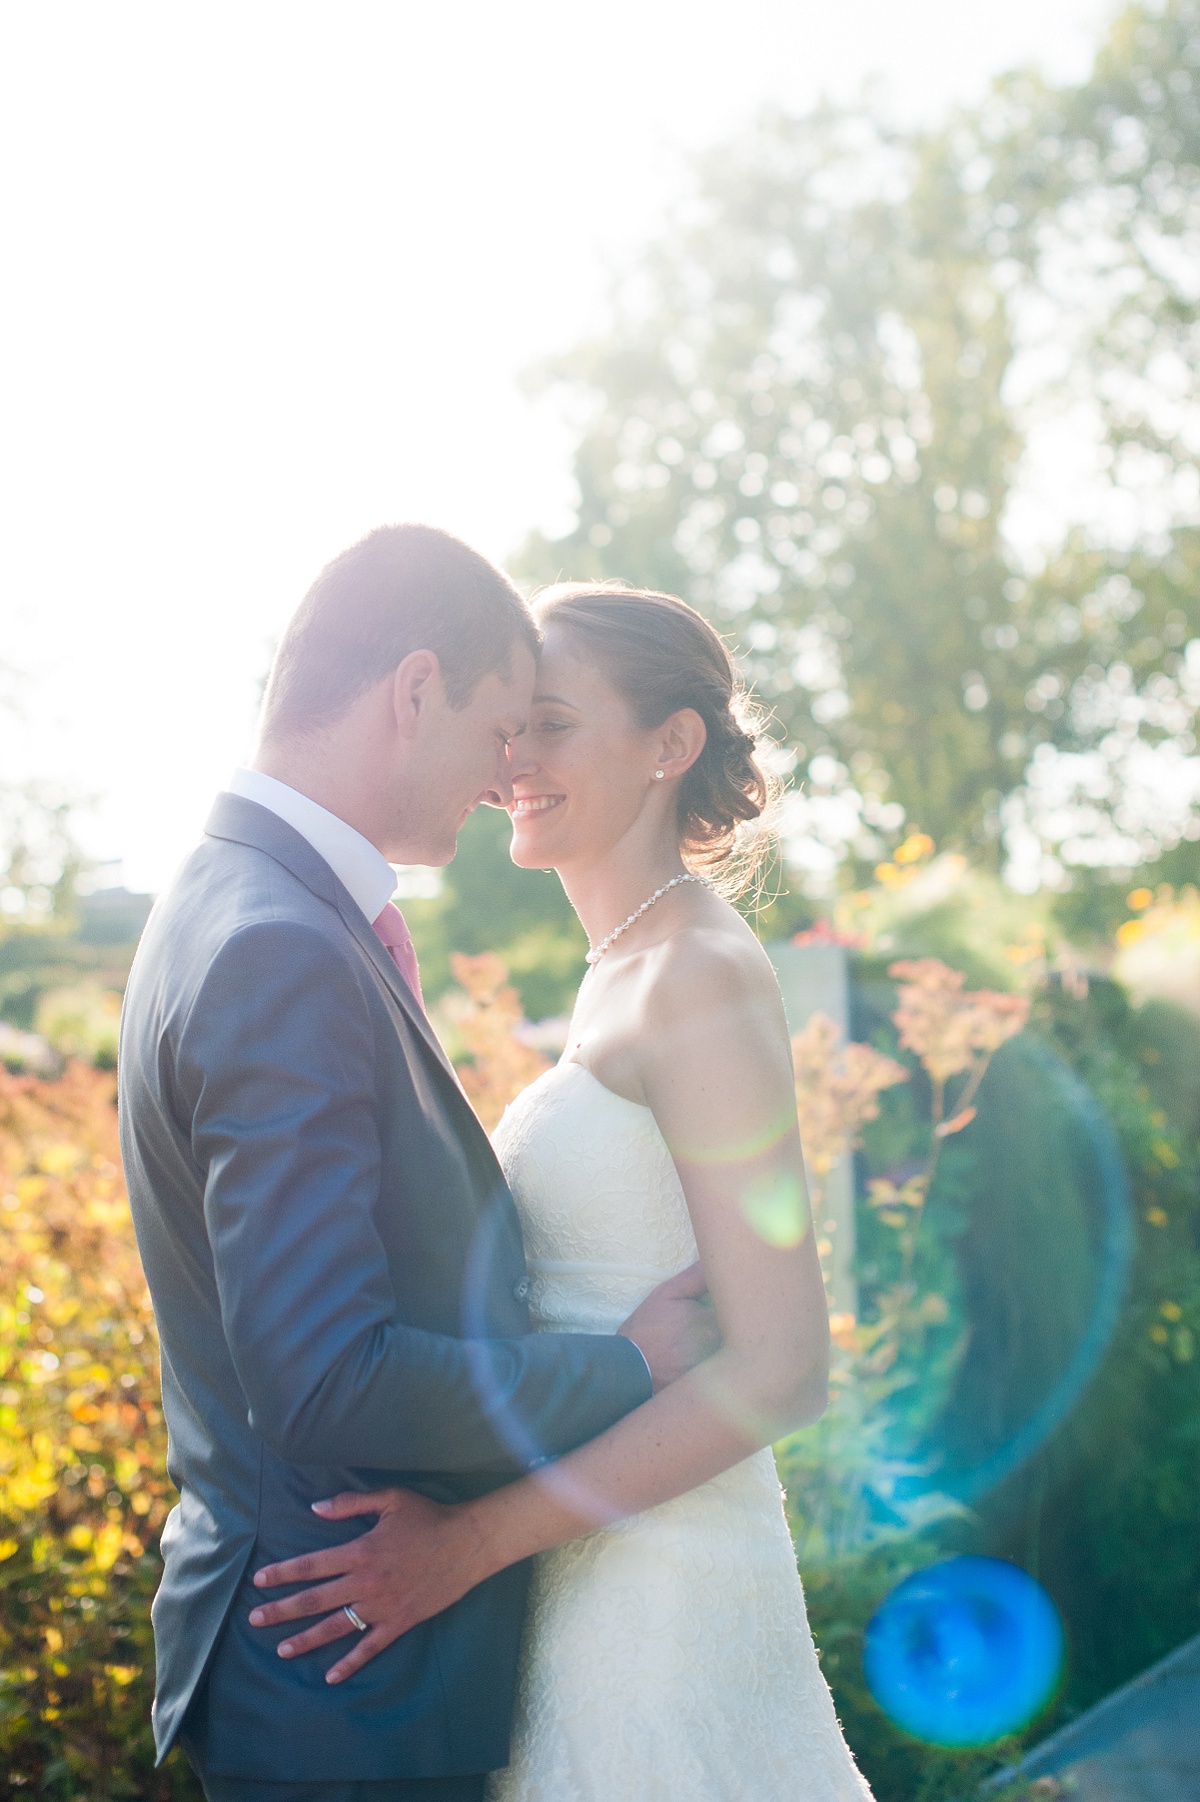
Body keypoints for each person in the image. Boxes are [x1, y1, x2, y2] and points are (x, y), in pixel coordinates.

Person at [118, 532, 720, 1802]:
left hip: (327, 1664)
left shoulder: (237, 899)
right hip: (340, 1679)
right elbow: (327, 1376)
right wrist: (629, 1366)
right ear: (413, 691)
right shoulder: (280, 945)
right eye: (503, 727)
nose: (509, 775)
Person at [249, 585, 874, 1799]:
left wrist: (468, 1545)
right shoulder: (621, 968)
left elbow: (786, 1361)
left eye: (550, 724)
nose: (510, 759)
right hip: (577, 1577)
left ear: (668, 745)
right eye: (507, 726)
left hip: (667, 1605)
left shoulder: (698, 973)